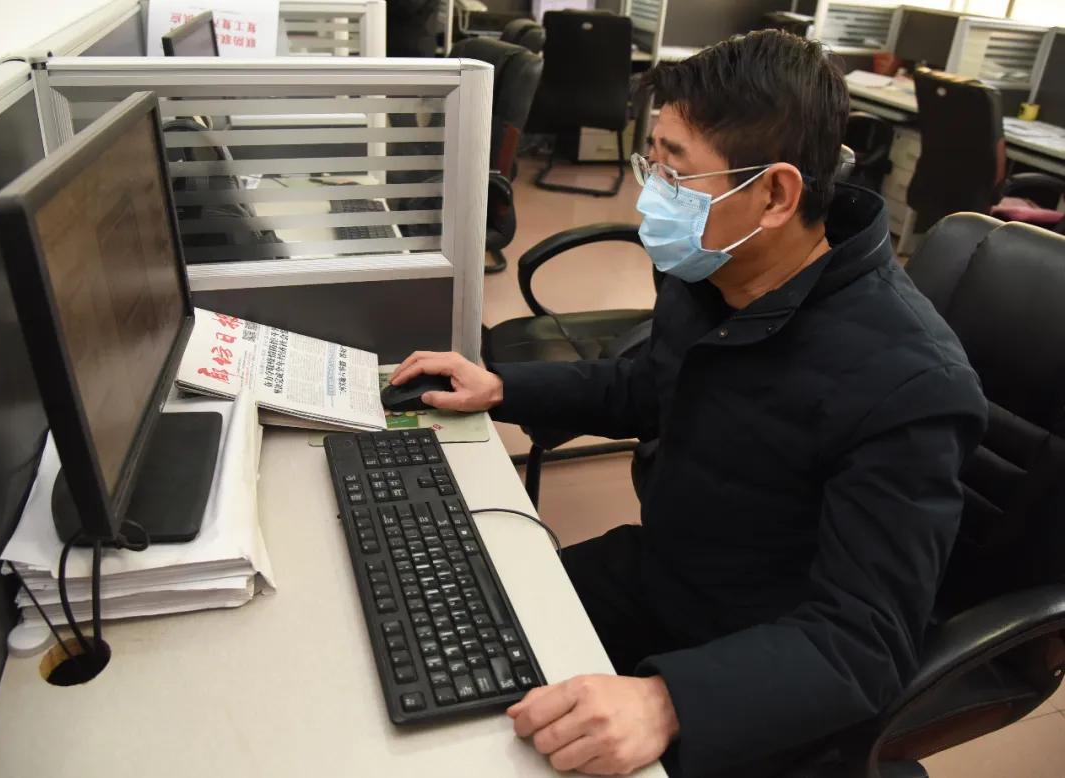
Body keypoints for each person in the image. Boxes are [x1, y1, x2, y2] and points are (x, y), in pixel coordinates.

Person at [390, 30, 988, 777]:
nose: (652, 194)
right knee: (447, 621)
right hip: (667, 575)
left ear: (775, 195)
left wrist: (668, 702)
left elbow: (865, 642)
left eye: (675, 172)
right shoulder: (714, 274)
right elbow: (648, 386)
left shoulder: (909, 382)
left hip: (762, 655)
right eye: (652, 163)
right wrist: (503, 386)